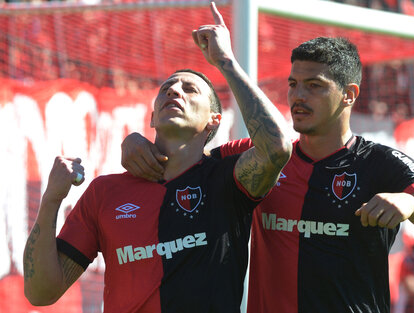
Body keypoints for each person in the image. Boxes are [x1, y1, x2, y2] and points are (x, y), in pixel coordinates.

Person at [121, 37, 414, 312]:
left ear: (349, 94)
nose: (298, 96)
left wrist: (413, 206)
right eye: (293, 84)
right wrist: (136, 142)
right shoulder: (261, 159)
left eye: (314, 85)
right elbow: (184, 161)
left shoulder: (381, 164)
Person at [22, 3, 292, 313]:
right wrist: (51, 199)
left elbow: (277, 147)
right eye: (167, 88)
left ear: (214, 120)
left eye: (190, 89)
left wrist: (225, 61)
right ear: (151, 118)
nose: (175, 91)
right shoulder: (104, 192)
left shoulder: (229, 178)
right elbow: (41, 293)